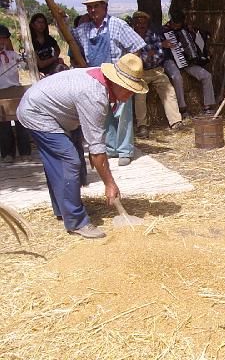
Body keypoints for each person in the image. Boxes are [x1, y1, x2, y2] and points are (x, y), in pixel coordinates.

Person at [16, 53, 149, 239]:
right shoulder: (95, 95)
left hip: (59, 113)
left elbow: (95, 143)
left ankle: (65, 210)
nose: (130, 95)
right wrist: (110, 184)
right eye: (129, 89)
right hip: (37, 113)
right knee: (68, 160)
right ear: (116, 82)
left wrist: (96, 155)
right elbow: (97, 151)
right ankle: (77, 222)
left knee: (66, 161)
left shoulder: (100, 80)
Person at [71, 0, 145, 166]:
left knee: (123, 113)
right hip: (96, 78)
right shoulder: (82, 30)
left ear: (105, 6)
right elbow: (72, 47)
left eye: (96, 6)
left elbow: (136, 46)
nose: (93, 10)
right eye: (89, 7)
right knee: (104, 115)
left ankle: (125, 150)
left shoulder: (117, 25)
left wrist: (128, 68)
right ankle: (111, 148)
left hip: (118, 76)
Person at [131, 10, 183, 138]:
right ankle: (142, 126)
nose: (141, 25)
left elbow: (159, 55)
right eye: (138, 22)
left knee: (168, 90)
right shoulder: (131, 36)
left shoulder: (152, 35)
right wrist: (148, 54)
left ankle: (176, 121)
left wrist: (144, 56)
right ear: (134, 24)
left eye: (143, 22)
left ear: (147, 24)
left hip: (155, 70)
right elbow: (131, 58)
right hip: (139, 73)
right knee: (140, 96)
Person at [162, 10, 215, 117]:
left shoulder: (186, 28)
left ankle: (208, 106)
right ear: (171, 21)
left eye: (179, 25)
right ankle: (183, 109)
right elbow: (154, 46)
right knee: (177, 78)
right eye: (175, 24)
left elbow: (199, 38)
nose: (177, 27)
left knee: (206, 75)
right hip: (170, 60)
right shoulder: (163, 30)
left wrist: (194, 33)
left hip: (186, 60)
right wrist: (162, 44)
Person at [0, 24, 31, 163]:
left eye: (4, 39)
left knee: (21, 121)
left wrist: (25, 61)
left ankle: (25, 152)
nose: (1, 41)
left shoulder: (12, 55)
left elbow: (25, 66)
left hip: (15, 89)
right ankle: (7, 153)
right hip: (1, 92)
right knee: (4, 125)